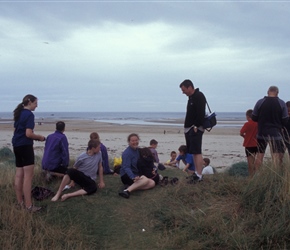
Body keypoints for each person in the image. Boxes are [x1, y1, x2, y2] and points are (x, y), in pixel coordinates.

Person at [12, 94, 46, 212]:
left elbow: (16, 130)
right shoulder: (29, 115)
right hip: (25, 146)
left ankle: (20, 203)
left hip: (16, 145)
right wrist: (40, 137)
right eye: (36, 103)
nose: (36, 106)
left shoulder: (19, 113)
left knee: (19, 175)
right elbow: (28, 134)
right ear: (29, 102)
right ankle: (29, 206)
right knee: (28, 177)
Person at [252, 86, 288, 168]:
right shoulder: (281, 103)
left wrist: (261, 120)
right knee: (275, 156)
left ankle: (257, 175)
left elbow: (254, 117)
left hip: (262, 132)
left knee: (260, 155)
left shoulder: (260, 102)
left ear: (268, 92)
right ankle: (275, 175)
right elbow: (285, 119)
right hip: (275, 133)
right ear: (277, 93)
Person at [180, 79, 206, 180]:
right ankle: (196, 173)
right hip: (189, 128)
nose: (183, 92)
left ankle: (199, 175)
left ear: (189, 87)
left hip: (195, 128)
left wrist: (196, 125)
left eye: (184, 90)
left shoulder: (199, 96)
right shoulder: (191, 97)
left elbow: (201, 113)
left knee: (197, 151)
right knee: (193, 152)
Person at [119, 133, 156, 199]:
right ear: (129, 142)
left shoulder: (138, 151)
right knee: (144, 179)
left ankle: (129, 187)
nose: (135, 142)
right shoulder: (127, 153)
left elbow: (148, 160)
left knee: (152, 183)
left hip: (136, 174)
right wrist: (133, 177)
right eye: (132, 141)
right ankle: (127, 191)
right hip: (126, 176)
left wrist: (154, 168)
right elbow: (126, 167)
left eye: (136, 140)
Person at [240, 109, 258, 176]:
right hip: (257, 144)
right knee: (256, 160)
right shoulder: (257, 123)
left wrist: (245, 137)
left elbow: (241, 133)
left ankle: (251, 177)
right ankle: (256, 174)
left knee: (250, 162)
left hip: (249, 145)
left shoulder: (247, 124)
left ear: (247, 116)